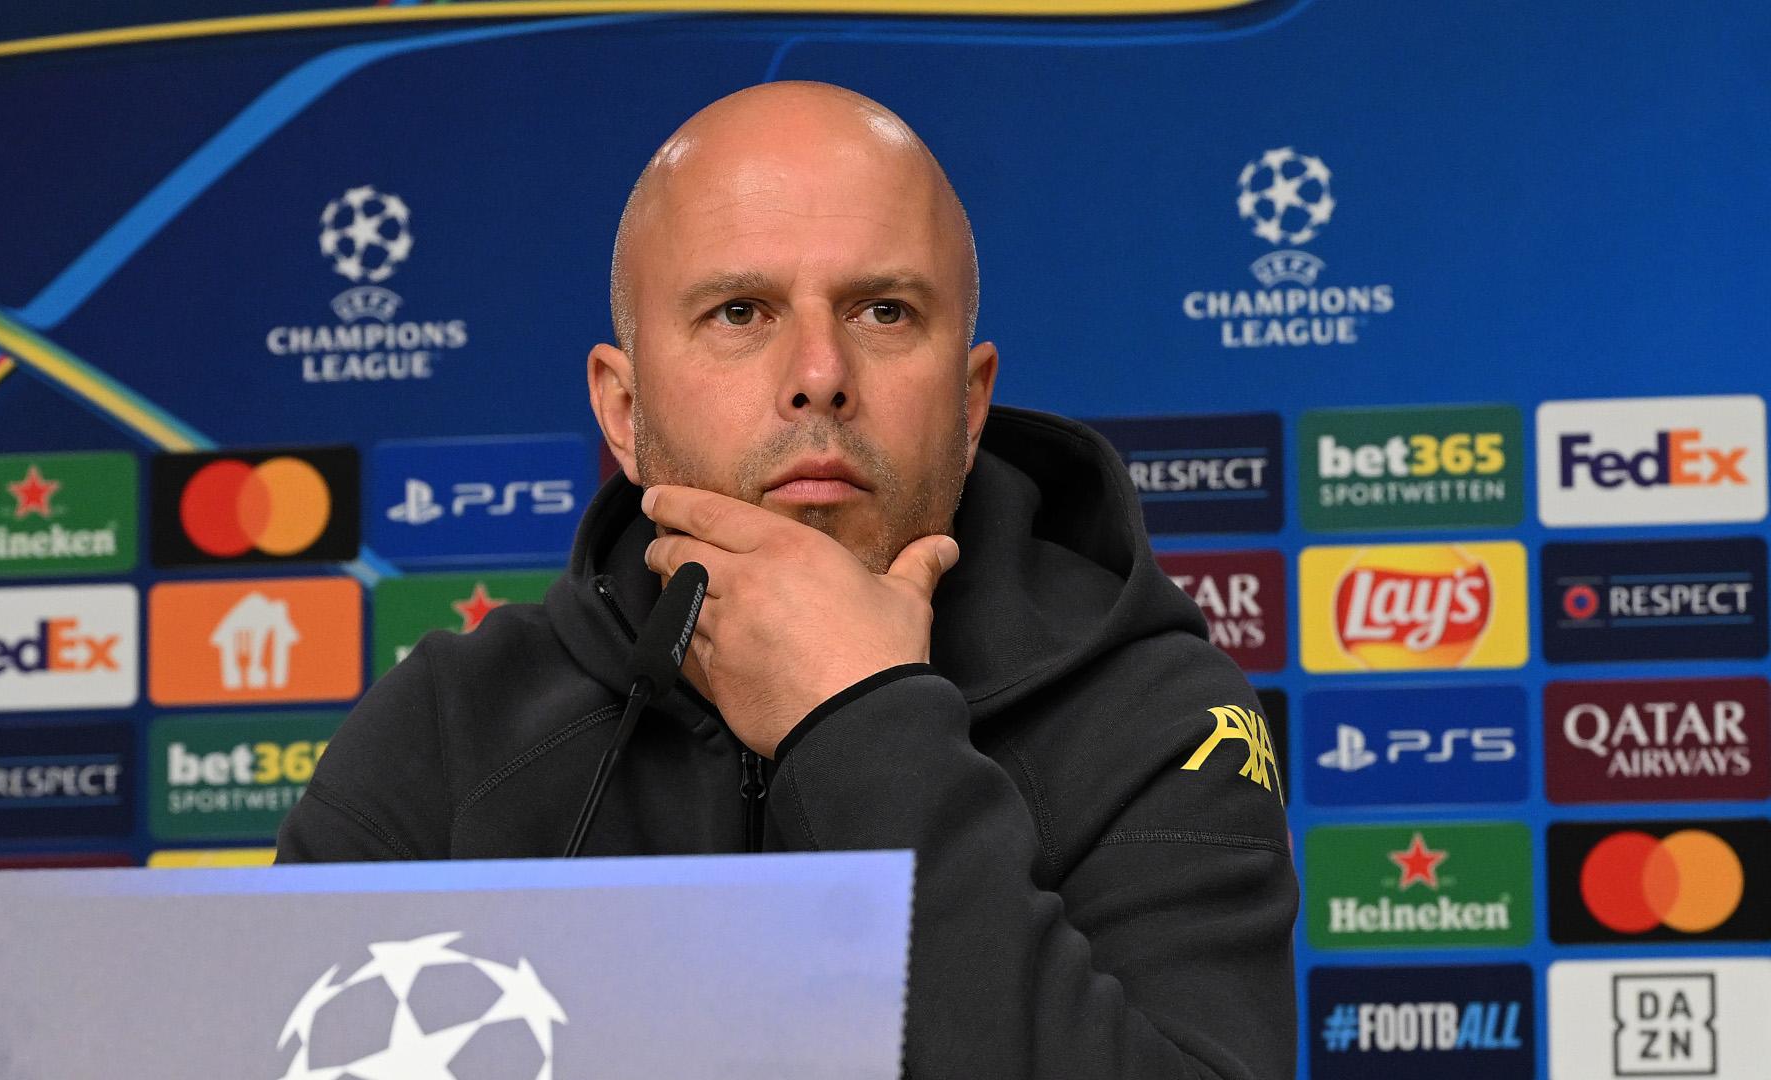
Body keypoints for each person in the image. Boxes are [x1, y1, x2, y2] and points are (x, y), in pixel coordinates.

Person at [278, 81, 1297, 1078]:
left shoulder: (1154, 715)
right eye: (740, 312)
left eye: (884, 311)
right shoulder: (448, 729)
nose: (820, 374)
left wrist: (866, 724)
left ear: (969, 403)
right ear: (624, 411)